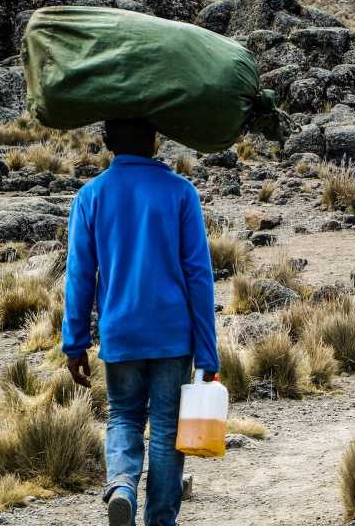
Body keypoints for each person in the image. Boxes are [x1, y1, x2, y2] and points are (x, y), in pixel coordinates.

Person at [63, 118, 219, 526]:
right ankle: (161, 520)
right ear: (154, 141)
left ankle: (122, 487)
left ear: (109, 143)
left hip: (121, 332)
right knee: (168, 430)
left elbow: (80, 274)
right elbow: (199, 275)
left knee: (123, 417)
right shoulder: (181, 193)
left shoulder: (90, 196)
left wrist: (74, 342)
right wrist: (208, 351)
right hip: (173, 335)